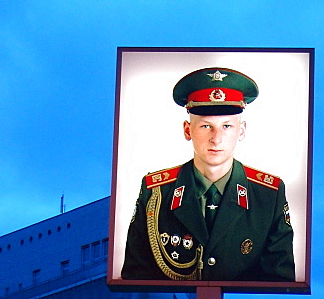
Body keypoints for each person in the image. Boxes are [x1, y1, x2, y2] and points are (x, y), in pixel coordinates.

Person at [121, 67, 295, 285]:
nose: (216, 138)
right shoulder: (156, 191)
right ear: (187, 130)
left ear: (241, 131)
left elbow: (280, 282)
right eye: (206, 126)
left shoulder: (268, 194)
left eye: (227, 126)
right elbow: (135, 278)